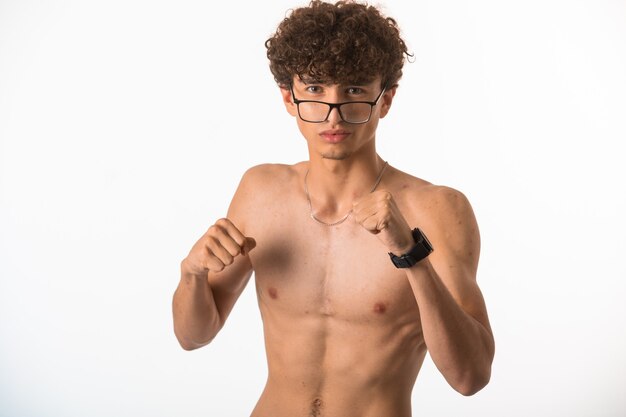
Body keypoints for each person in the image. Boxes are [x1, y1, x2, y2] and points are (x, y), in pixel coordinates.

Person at [172, 1, 495, 416]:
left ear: (386, 100)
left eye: (355, 90)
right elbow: (193, 336)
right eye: (315, 89)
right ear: (289, 98)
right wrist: (192, 272)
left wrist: (411, 254)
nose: (333, 114)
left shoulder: (437, 208)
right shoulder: (261, 191)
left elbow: (470, 376)